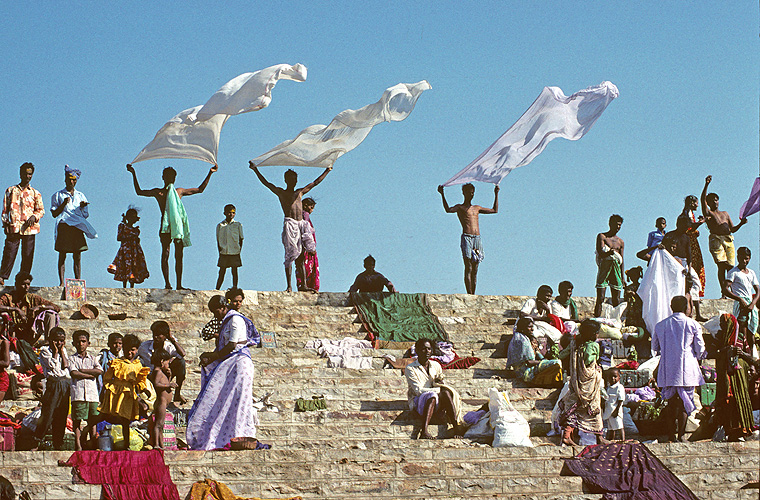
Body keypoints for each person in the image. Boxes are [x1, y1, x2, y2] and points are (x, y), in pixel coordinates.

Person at [126, 163, 217, 290]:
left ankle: (179, 284)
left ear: (174, 178)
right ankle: (167, 284)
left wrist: (210, 173)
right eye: (168, 176)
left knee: (178, 255)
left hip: (177, 227)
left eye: (171, 176)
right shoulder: (159, 192)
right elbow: (139, 192)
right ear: (163, 177)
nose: (170, 178)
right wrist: (133, 173)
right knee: (166, 253)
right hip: (165, 226)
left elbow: (200, 189)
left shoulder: (178, 192)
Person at [186, 295, 260, 450]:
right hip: (232, 362)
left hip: (240, 363)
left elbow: (232, 345)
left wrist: (213, 356)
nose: (215, 315)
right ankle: (225, 435)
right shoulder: (226, 321)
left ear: (222, 307)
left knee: (238, 402)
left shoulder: (235, 319)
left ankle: (239, 434)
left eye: (216, 311)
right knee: (225, 400)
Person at [250, 163, 331, 292]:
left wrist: (327, 171)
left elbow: (315, 182)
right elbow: (266, 183)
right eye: (290, 179)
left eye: (294, 179)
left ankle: (303, 285)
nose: (293, 181)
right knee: (290, 255)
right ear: (286, 180)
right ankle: (289, 286)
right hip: (291, 225)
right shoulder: (281, 192)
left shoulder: (300, 192)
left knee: (301, 256)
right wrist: (256, 170)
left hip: (301, 225)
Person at [651, 295, 706, 442]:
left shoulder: (660, 325)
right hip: (687, 369)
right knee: (683, 403)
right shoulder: (693, 324)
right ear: (686, 308)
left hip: (668, 368)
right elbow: (700, 349)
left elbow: (655, 347)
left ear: (671, 307)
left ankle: (671, 435)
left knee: (670, 402)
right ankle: (681, 435)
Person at [437, 183, 499, 294]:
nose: (471, 194)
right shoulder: (460, 207)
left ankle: (473, 294)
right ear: (464, 193)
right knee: (468, 266)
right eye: (469, 192)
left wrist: (496, 194)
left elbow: (494, 210)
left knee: (475, 268)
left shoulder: (477, 208)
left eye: (472, 192)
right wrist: (442, 194)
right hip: (467, 237)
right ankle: (469, 293)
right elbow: (448, 209)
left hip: (477, 238)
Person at [405, 338, 464, 439]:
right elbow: (418, 391)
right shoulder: (410, 368)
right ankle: (424, 431)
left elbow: (439, 382)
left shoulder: (436, 365)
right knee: (432, 395)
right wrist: (437, 390)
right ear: (418, 351)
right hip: (418, 400)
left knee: (445, 393)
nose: (427, 352)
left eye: (429, 349)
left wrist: (439, 384)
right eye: (423, 349)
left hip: (436, 401)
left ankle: (455, 426)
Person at [98, 333, 150, 449]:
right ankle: (88, 431)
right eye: (127, 350)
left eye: (132, 350)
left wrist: (144, 390)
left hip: (129, 395)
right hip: (116, 394)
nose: (129, 353)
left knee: (126, 420)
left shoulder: (138, 365)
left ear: (137, 350)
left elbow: (140, 380)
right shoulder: (117, 363)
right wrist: (108, 389)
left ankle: (126, 444)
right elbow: (106, 378)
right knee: (106, 415)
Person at [557, 319, 604, 446]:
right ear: (591, 334)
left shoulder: (574, 343)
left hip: (577, 382)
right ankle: (568, 436)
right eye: (596, 333)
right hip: (588, 384)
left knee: (576, 408)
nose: (597, 335)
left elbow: (561, 355)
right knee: (591, 408)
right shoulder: (593, 346)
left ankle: (598, 438)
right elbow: (589, 360)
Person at [50, 165, 97, 286]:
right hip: (64, 226)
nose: (72, 182)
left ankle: (78, 281)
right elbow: (54, 213)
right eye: (70, 179)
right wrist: (63, 204)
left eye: (74, 180)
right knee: (62, 254)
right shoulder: (58, 195)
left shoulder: (80, 195)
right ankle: (61, 282)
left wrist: (82, 206)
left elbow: (85, 214)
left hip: (77, 226)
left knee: (77, 255)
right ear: (65, 179)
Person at [0, 163, 44, 287]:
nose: (27, 176)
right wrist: (5, 224)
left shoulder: (35, 193)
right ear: (20, 174)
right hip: (14, 226)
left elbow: (41, 210)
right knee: (9, 252)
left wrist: (34, 217)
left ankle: (24, 279)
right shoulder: (11, 190)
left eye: (30, 174)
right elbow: (5, 210)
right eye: (25, 173)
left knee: (28, 255)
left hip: (30, 229)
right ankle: (2, 276)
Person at [701, 175, 748, 291]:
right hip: (716, 240)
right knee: (721, 265)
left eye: (716, 200)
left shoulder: (725, 214)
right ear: (709, 203)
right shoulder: (709, 213)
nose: (715, 202)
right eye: (712, 201)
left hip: (728, 240)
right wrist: (706, 185)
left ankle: (731, 290)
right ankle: (724, 291)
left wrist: (741, 224)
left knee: (731, 267)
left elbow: (732, 229)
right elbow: (702, 201)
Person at [714, 313, 756, 441]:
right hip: (725, 377)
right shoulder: (719, 338)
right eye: (721, 323)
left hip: (739, 378)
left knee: (738, 402)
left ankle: (740, 431)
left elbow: (751, 359)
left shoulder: (741, 338)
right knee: (726, 402)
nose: (721, 326)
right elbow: (712, 353)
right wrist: (725, 350)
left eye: (724, 323)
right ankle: (727, 430)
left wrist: (741, 353)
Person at [34, 327, 71, 450]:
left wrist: (61, 352)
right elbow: (53, 367)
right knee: (48, 413)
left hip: (64, 384)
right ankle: (38, 439)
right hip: (53, 384)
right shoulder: (45, 351)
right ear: (50, 340)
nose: (59, 343)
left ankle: (58, 442)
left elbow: (66, 366)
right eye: (56, 340)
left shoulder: (63, 350)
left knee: (62, 414)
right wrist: (55, 352)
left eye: (61, 341)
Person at [0, 272, 60, 346]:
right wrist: (15, 309)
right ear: (16, 284)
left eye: (28, 284)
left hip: (30, 333)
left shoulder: (33, 298)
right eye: (23, 284)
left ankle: (49, 343)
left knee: (51, 314)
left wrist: (39, 307)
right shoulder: (8, 297)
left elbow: (56, 307)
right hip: (12, 333)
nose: (26, 287)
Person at [138, 320, 188, 405]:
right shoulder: (144, 347)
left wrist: (172, 340)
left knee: (181, 362)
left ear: (165, 336)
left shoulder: (169, 346)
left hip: (165, 374)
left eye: (159, 335)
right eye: (154, 334)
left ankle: (177, 393)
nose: (156, 337)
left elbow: (182, 354)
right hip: (150, 376)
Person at [68, 330, 102, 451]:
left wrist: (82, 370)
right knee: (77, 421)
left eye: (83, 341)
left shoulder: (93, 358)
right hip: (78, 395)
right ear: (73, 343)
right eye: (78, 342)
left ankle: (93, 443)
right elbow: (74, 373)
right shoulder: (71, 359)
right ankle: (78, 445)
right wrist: (90, 374)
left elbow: (99, 371)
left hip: (92, 395)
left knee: (92, 421)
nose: (81, 344)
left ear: (88, 343)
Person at [506, 317, 562, 387]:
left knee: (556, 364)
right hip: (524, 372)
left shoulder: (525, 337)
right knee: (556, 363)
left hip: (528, 368)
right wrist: (545, 362)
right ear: (523, 328)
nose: (532, 329)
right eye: (529, 327)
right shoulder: (521, 340)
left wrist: (544, 360)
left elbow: (537, 353)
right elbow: (529, 362)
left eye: (532, 327)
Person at [724, 247, 759, 352]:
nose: (745, 261)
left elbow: (758, 291)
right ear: (738, 257)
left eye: (747, 259)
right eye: (743, 258)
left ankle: (752, 359)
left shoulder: (751, 273)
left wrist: (753, 303)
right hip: (741, 305)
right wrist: (739, 299)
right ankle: (743, 356)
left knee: (752, 333)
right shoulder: (733, 272)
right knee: (742, 332)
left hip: (750, 304)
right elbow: (725, 289)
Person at [107, 206, 149, 287]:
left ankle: (131, 286)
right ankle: (125, 286)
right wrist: (130, 237)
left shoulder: (136, 230)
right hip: (125, 250)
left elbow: (137, 241)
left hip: (134, 251)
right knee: (125, 266)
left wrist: (136, 239)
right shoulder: (122, 226)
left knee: (134, 266)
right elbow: (119, 238)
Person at [678, 195, 706, 299]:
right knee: (693, 265)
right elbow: (689, 227)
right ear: (692, 203)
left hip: (692, 241)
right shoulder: (687, 213)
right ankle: (693, 294)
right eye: (696, 203)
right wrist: (700, 223)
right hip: (690, 243)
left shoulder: (689, 213)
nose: (697, 205)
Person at [148, 350, 177, 450]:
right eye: (167, 363)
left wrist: (169, 376)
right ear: (161, 361)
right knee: (158, 424)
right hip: (161, 401)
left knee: (161, 424)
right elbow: (156, 384)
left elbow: (164, 384)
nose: (168, 365)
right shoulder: (157, 372)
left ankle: (161, 444)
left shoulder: (162, 373)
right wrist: (169, 385)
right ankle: (156, 444)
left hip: (164, 402)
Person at [216, 204, 244, 290]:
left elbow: (241, 238)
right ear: (224, 213)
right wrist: (220, 250)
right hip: (224, 250)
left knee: (234, 270)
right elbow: (218, 239)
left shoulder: (238, 225)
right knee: (222, 270)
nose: (231, 214)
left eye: (233, 213)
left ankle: (235, 287)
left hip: (234, 250)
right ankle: (217, 288)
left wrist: (239, 249)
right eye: (229, 212)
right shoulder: (220, 225)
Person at [295, 197, 319, 292]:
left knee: (303, 265)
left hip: (300, 244)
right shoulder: (304, 215)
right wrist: (310, 247)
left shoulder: (299, 215)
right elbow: (306, 232)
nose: (312, 210)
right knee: (306, 266)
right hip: (305, 246)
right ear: (306, 206)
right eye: (311, 207)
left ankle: (303, 285)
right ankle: (305, 285)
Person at [602, 368, 625, 442]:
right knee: (611, 427)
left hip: (615, 411)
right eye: (610, 377)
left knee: (619, 426)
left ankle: (622, 440)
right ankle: (610, 440)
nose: (613, 378)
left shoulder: (619, 387)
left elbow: (620, 400)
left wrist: (617, 410)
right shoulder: (609, 388)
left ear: (619, 377)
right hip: (609, 411)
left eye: (615, 376)